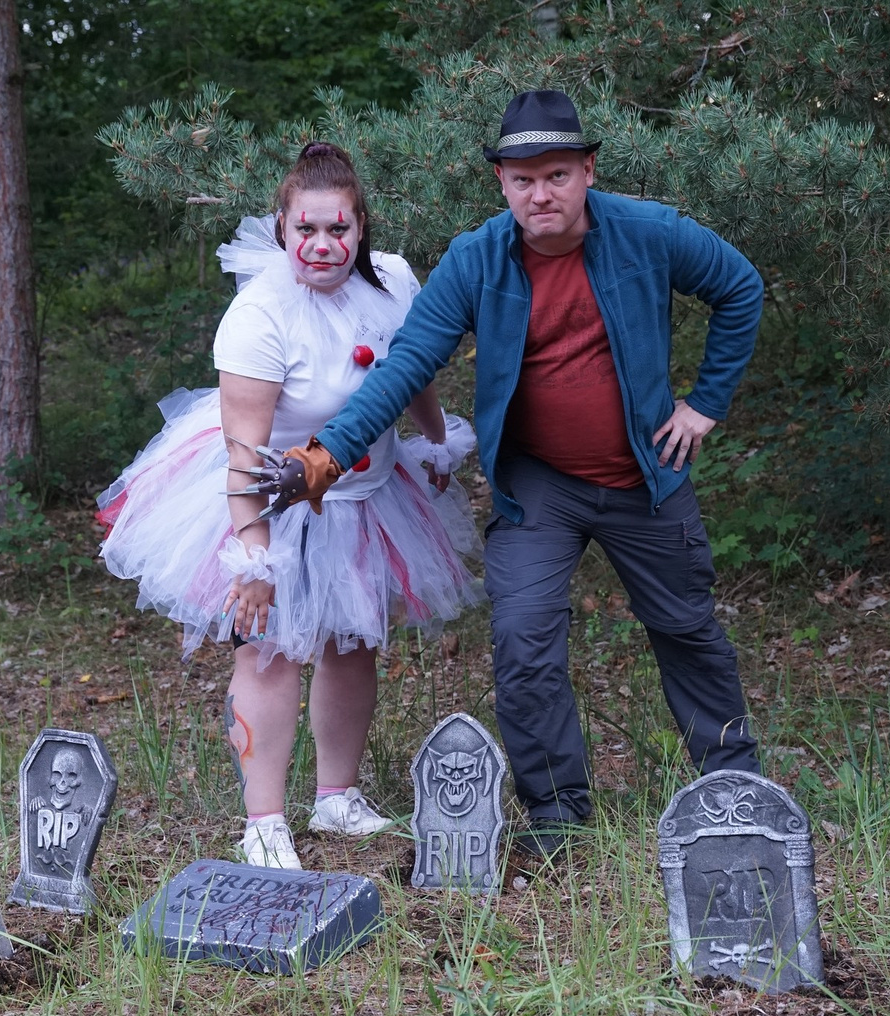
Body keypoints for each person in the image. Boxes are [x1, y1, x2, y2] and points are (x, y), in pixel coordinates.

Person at [249, 90, 765, 859]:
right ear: (501, 182)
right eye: (523, 179)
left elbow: (740, 288)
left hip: (645, 476)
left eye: (557, 175)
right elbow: (405, 365)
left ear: (588, 171)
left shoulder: (649, 233)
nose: (541, 194)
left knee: (687, 631)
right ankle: (557, 816)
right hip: (538, 487)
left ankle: (737, 794)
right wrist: (325, 455)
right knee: (524, 643)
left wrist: (706, 404)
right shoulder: (478, 259)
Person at [96, 143, 481, 870]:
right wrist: (255, 560)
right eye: (306, 229)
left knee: (352, 642)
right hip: (274, 498)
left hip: (367, 495)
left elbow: (413, 369)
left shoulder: (393, 281)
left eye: (338, 229)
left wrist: (435, 443)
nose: (322, 244)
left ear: (360, 228)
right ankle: (264, 821)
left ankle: (336, 795)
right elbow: (244, 454)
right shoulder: (260, 315)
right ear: (283, 228)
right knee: (268, 650)